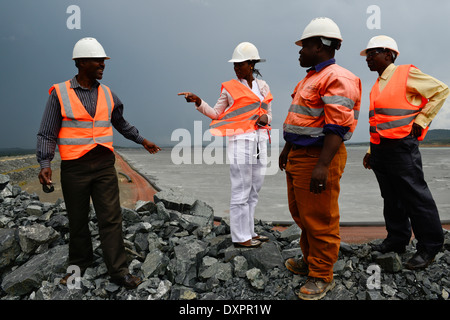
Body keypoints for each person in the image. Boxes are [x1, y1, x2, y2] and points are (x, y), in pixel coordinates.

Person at [36, 37, 161, 289]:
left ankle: (118, 271)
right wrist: (44, 162)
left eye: (104, 61)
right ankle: (79, 265)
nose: (103, 65)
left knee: (111, 218)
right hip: (75, 168)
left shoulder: (108, 94)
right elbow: (47, 132)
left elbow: (121, 124)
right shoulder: (59, 93)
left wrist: (142, 140)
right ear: (81, 63)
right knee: (77, 219)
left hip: (104, 165)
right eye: (97, 61)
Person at [279, 17, 361, 300]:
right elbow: (302, 120)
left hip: (318, 157)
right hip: (300, 156)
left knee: (320, 218)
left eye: (304, 46)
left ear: (320, 46)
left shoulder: (338, 77)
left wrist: (322, 165)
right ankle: (311, 260)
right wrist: (288, 149)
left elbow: (336, 126)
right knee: (302, 215)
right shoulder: (311, 77)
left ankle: (322, 274)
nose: (300, 51)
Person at [360, 35, 449, 269]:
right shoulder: (378, 84)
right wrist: (371, 151)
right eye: (367, 55)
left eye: (373, 53)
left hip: (402, 147)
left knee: (415, 196)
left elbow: (441, 90)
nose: (368, 58)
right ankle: (398, 239)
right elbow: (379, 121)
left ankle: (430, 245)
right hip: (381, 149)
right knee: (391, 198)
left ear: (389, 54)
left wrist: (422, 119)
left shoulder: (406, 73)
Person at [178, 42, 273, 248]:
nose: (237, 68)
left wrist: (266, 118)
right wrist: (198, 101)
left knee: (254, 190)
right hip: (240, 141)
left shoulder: (263, 87)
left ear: (251, 64)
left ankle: (250, 232)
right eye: (235, 65)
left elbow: (268, 112)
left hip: (260, 141)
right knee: (241, 188)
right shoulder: (229, 88)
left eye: (241, 64)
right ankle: (240, 237)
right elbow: (216, 113)